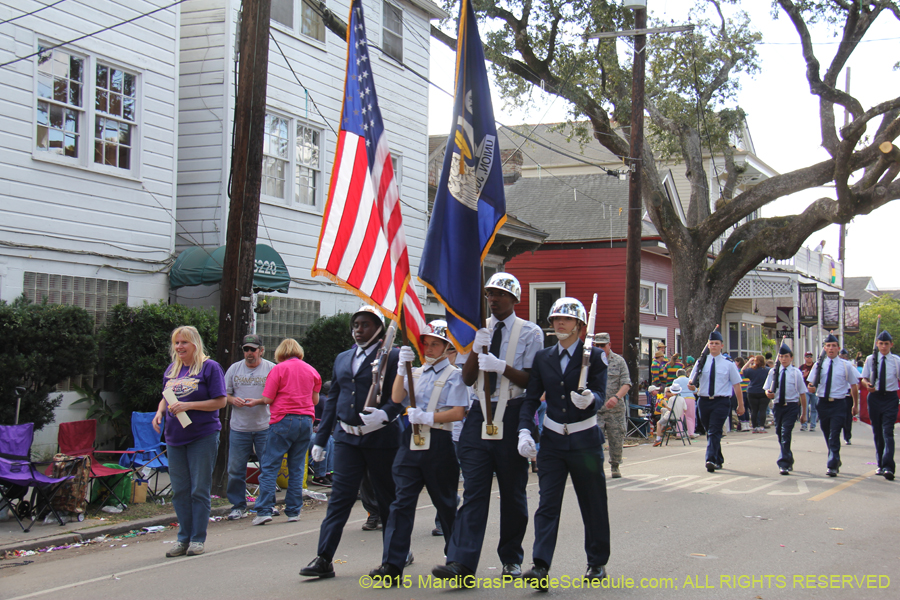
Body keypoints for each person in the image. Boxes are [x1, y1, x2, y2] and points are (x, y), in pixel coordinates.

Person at [432, 273, 543, 583]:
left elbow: (533, 382)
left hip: (511, 411)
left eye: (500, 295)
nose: (493, 299)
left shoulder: (530, 333)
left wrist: (502, 367)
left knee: (512, 492)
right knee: (474, 492)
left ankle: (511, 557)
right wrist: (478, 349)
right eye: (490, 294)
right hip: (480, 413)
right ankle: (461, 563)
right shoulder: (477, 330)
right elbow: (467, 378)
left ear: (514, 299)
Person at [300, 306, 402, 579]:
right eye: (355, 324)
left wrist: (385, 415)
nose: (358, 329)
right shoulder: (343, 358)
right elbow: (333, 400)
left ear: (379, 328)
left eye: (365, 325)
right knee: (340, 500)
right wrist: (321, 439)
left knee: (387, 500)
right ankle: (324, 558)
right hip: (347, 439)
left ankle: (393, 559)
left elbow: (400, 397)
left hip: (381, 439)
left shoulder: (392, 356)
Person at [518, 297, 610, 589]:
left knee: (592, 503)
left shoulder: (593, 356)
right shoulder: (544, 357)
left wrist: (591, 400)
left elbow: (599, 391)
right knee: (547, 504)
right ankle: (541, 565)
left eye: (566, 319)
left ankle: (596, 562)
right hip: (554, 440)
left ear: (580, 326)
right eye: (556, 319)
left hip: (584, 441)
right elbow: (531, 398)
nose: (559, 323)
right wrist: (524, 430)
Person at [368, 320, 468, 583]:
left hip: (439, 441)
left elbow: (458, 412)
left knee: (446, 504)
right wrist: (402, 368)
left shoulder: (454, 375)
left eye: (435, 343)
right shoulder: (416, 373)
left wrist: (429, 416)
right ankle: (392, 564)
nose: (429, 348)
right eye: (426, 343)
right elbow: (398, 397)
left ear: (447, 347)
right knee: (401, 504)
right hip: (410, 443)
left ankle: (457, 560)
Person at [152, 326, 226, 558]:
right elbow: (167, 395)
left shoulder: (210, 368)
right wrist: (159, 412)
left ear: (195, 344)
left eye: (184, 342)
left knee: (199, 490)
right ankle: (182, 538)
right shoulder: (172, 370)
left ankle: (197, 539)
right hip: (175, 438)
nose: (180, 347)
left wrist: (189, 406)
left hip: (202, 436)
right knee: (180, 491)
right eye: (176, 343)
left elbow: (220, 402)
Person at [250, 339, 320, 525]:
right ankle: (293, 510)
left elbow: (268, 398)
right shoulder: (311, 370)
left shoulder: (278, 369)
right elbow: (315, 400)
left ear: (280, 352)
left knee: (270, 465)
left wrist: (255, 401)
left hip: (283, 419)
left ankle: (264, 509)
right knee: (296, 467)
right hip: (305, 420)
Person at [224, 334, 275, 520]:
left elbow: (279, 395)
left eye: (253, 349)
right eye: (246, 349)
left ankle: (266, 504)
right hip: (240, 427)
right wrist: (233, 400)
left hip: (265, 426)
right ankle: (238, 506)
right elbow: (224, 395)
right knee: (236, 469)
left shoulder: (271, 368)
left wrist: (259, 401)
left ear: (261, 350)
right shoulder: (234, 369)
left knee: (268, 467)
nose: (249, 353)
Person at [688, 329, 744, 472]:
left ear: (721, 346)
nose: (713, 345)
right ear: (708, 345)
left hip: (721, 401)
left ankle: (710, 459)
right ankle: (718, 458)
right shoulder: (701, 362)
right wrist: (691, 385)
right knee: (710, 431)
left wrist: (741, 405)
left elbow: (737, 385)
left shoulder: (728, 363)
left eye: (716, 343)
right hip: (704, 401)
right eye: (711, 343)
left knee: (714, 430)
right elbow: (692, 381)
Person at [806, 334, 860, 477]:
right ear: (824, 348)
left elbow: (854, 385)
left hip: (839, 403)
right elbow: (811, 383)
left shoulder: (845, 365)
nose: (831, 349)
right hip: (822, 402)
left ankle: (832, 465)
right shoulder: (819, 365)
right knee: (826, 431)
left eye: (833, 346)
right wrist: (811, 387)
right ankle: (835, 458)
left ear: (838, 348)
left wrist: (855, 405)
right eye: (828, 346)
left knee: (835, 433)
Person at [860, 330, 900, 480]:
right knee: (877, 432)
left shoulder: (896, 360)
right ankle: (881, 464)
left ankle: (889, 467)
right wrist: (868, 384)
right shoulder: (871, 359)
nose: (884, 346)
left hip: (890, 397)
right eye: (881, 343)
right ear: (877, 344)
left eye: (886, 344)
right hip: (875, 397)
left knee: (888, 431)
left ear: (891, 345)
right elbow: (864, 378)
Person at [764, 343, 808, 475]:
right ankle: (788, 456)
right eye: (781, 356)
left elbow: (802, 394)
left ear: (791, 358)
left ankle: (783, 463)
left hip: (791, 405)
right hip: (778, 406)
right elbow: (767, 389)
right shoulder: (773, 372)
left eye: (786, 356)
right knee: (779, 433)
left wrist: (804, 414)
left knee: (785, 433)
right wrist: (769, 394)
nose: (783, 359)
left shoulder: (796, 373)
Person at [595, 333, 632, 479]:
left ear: (609, 345)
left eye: (603, 345)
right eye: (597, 345)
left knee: (616, 439)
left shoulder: (618, 361)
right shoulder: (590, 361)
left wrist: (616, 397)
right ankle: (596, 468)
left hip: (614, 409)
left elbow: (626, 383)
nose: (600, 348)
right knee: (594, 440)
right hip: (596, 409)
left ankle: (615, 465)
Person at [743, 355, 771, 433]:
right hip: (763, 392)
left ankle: (754, 427)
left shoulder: (751, 370)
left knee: (753, 410)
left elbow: (743, 370)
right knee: (763, 409)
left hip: (752, 391)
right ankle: (762, 426)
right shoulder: (768, 370)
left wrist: (749, 362)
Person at [670, 369, 697, 438]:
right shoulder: (689, 380)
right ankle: (691, 433)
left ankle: (679, 434)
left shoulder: (676, 381)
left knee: (679, 416)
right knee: (690, 417)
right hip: (690, 398)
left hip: (680, 398)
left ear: (677, 375)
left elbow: (674, 391)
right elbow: (695, 390)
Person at [838, 348, 855, 445]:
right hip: (839, 394)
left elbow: (856, 381)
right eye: (841, 356)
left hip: (848, 394)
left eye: (844, 356)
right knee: (838, 417)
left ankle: (847, 436)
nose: (843, 357)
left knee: (848, 417)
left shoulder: (849, 366)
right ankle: (835, 436)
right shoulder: (836, 366)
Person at [799, 351, 817, 432]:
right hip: (805, 390)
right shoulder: (802, 367)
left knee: (814, 408)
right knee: (804, 407)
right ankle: (804, 424)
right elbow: (798, 379)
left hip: (814, 390)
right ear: (804, 358)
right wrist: (804, 376)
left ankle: (813, 425)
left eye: (810, 356)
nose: (809, 358)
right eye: (807, 356)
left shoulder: (815, 366)